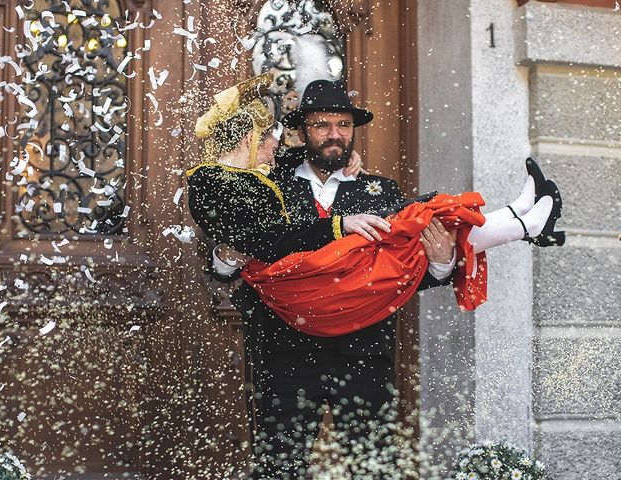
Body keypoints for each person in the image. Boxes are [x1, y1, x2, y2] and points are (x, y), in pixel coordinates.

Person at [188, 75, 563, 478]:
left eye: (344, 125)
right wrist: (227, 256)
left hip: (364, 353)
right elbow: (220, 261)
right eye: (322, 125)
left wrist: (440, 261)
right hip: (285, 352)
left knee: (373, 467)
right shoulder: (265, 183)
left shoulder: (380, 190)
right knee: (279, 467)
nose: (335, 135)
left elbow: (396, 270)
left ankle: (520, 219)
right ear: (301, 132)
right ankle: (521, 223)